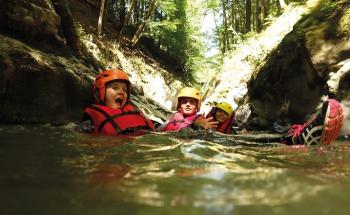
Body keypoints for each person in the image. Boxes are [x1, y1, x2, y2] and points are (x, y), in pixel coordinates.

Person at [81, 69, 155, 135]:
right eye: (115, 88)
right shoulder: (90, 115)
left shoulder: (133, 110)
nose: (121, 92)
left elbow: (153, 126)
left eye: (125, 90)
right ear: (98, 93)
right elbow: (84, 135)